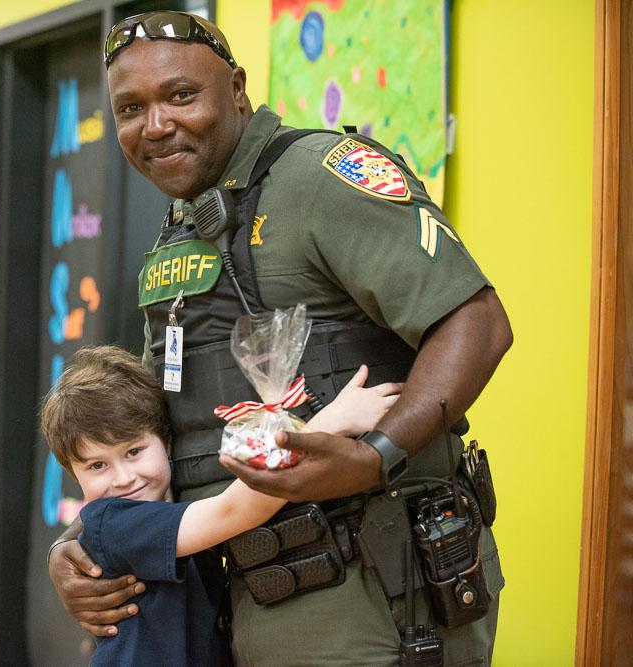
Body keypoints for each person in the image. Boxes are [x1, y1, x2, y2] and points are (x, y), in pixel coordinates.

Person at [49, 10, 513, 666]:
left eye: (181, 95)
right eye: (131, 107)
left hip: (368, 601)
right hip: (236, 603)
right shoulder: (179, 229)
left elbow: (477, 321)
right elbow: (160, 427)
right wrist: (84, 539)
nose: (156, 125)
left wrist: (377, 452)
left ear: (237, 88)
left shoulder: (318, 177)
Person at [40, 345, 400, 666]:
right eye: (96, 465)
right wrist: (331, 424)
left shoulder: (177, 505)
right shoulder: (114, 523)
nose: (122, 478)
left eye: (133, 452)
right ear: (73, 474)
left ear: (166, 442)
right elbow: (235, 510)